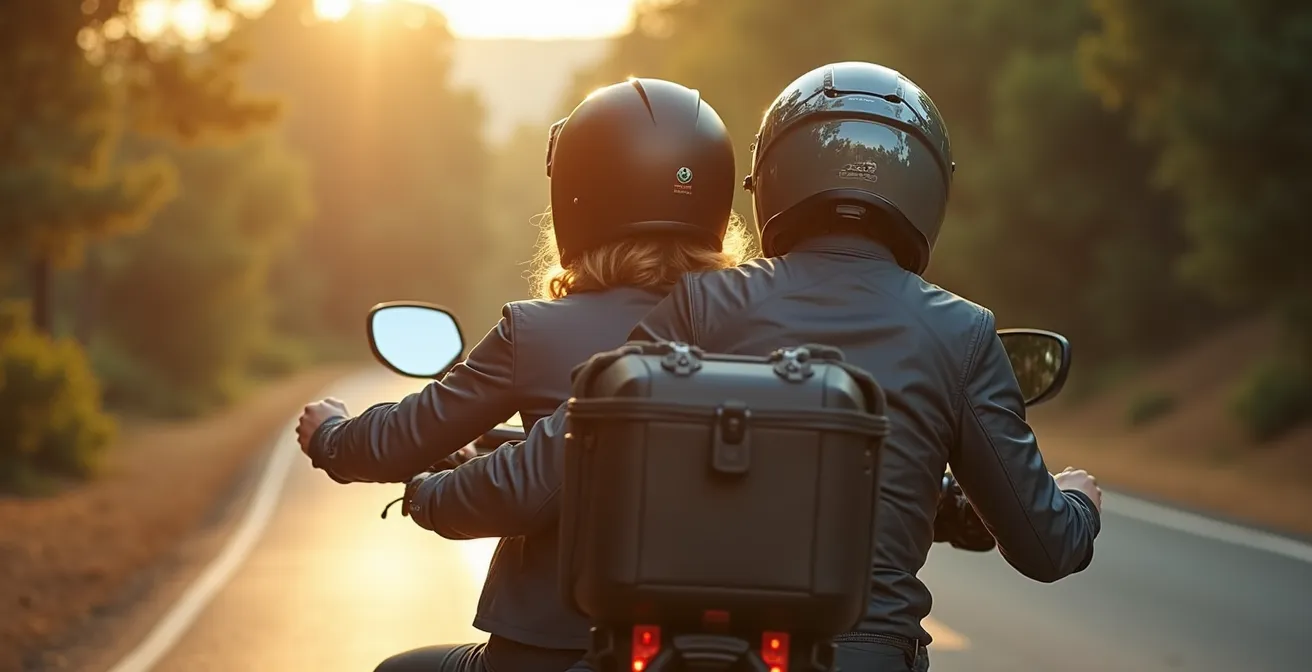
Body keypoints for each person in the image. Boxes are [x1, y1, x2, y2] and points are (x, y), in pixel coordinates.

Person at [401, 61, 1103, 672]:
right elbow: (1047, 548)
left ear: (771, 176)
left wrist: (430, 490)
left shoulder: (710, 303)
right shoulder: (964, 332)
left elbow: (568, 460)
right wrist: (1080, 502)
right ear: (928, 184)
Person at [294, 78, 756, 671]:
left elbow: (397, 442)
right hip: (721, 642)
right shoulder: (758, 326)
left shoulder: (534, 331)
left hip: (551, 646)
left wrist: (332, 434)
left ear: (577, 192)